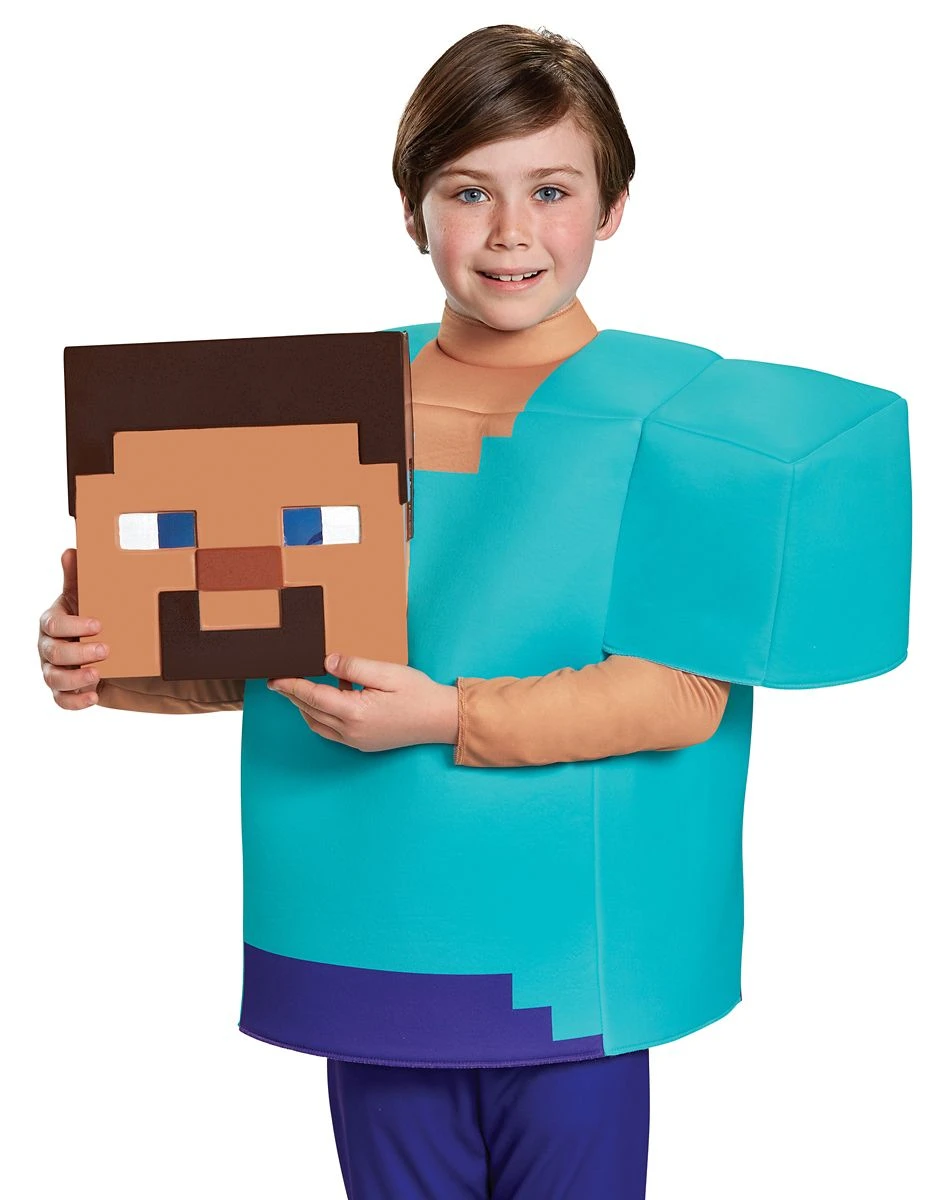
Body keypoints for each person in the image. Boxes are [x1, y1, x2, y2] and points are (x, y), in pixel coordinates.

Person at [37, 22, 911, 1200]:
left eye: (550, 189)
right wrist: (108, 659)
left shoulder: (676, 416)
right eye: (466, 190)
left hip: (570, 956)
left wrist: (446, 715)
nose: (508, 231)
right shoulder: (311, 403)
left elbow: (683, 695)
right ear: (412, 211)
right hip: (368, 929)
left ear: (611, 206)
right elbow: (257, 642)